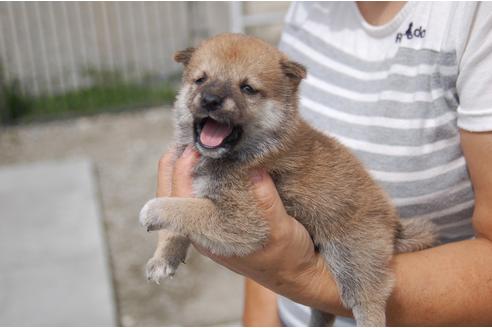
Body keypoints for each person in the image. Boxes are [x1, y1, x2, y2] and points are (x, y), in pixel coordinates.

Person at [156, 2, 492, 326]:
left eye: (247, 88)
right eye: (199, 80)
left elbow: (255, 233)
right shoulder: (310, 7)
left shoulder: (474, 16)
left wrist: (302, 277)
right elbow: (262, 214)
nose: (212, 96)